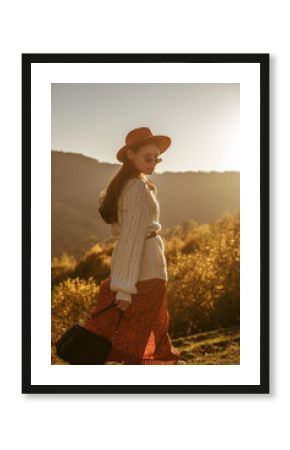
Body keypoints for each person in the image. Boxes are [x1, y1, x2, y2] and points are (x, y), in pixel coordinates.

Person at [83, 127, 181, 364]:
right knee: (138, 335)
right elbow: (132, 236)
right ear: (131, 156)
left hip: (145, 266)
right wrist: (124, 287)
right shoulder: (136, 188)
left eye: (156, 158)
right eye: (148, 157)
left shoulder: (132, 184)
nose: (154, 162)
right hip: (146, 270)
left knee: (146, 331)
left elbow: (126, 233)